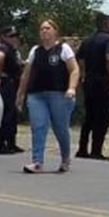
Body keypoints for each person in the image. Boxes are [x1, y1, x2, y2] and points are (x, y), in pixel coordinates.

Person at [17, 19, 78, 174]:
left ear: (55, 31)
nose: (44, 31)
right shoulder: (35, 51)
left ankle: (65, 158)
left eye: (48, 28)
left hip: (59, 94)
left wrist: (71, 88)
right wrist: (20, 94)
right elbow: (26, 74)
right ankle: (37, 161)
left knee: (60, 128)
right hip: (37, 94)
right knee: (38, 126)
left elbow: (74, 70)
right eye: (42, 29)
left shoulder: (63, 49)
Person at [76, 13, 109, 160]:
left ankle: (82, 149)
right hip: (103, 80)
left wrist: (82, 74)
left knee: (89, 116)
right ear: (106, 24)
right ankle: (96, 150)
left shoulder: (87, 40)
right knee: (103, 116)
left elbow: (79, 58)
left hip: (89, 80)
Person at [0, 27, 24, 155]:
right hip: (7, 83)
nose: (14, 38)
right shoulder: (4, 47)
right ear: (4, 37)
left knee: (13, 113)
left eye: (15, 35)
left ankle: (11, 142)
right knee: (7, 113)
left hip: (13, 82)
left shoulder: (12, 50)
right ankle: (1, 144)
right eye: (11, 36)